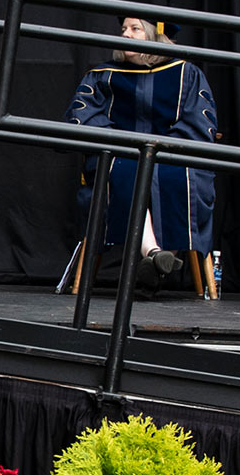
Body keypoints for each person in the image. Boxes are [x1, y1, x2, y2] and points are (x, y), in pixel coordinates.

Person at [67, 18, 218, 294]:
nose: (127, 35)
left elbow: (198, 123)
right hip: (118, 154)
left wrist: (159, 148)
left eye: (135, 29)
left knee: (166, 173)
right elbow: (83, 116)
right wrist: (128, 144)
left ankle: (153, 260)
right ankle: (155, 256)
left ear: (155, 35)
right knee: (134, 167)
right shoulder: (103, 74)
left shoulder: (186, 74)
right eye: (124, 29)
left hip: (172, 155)